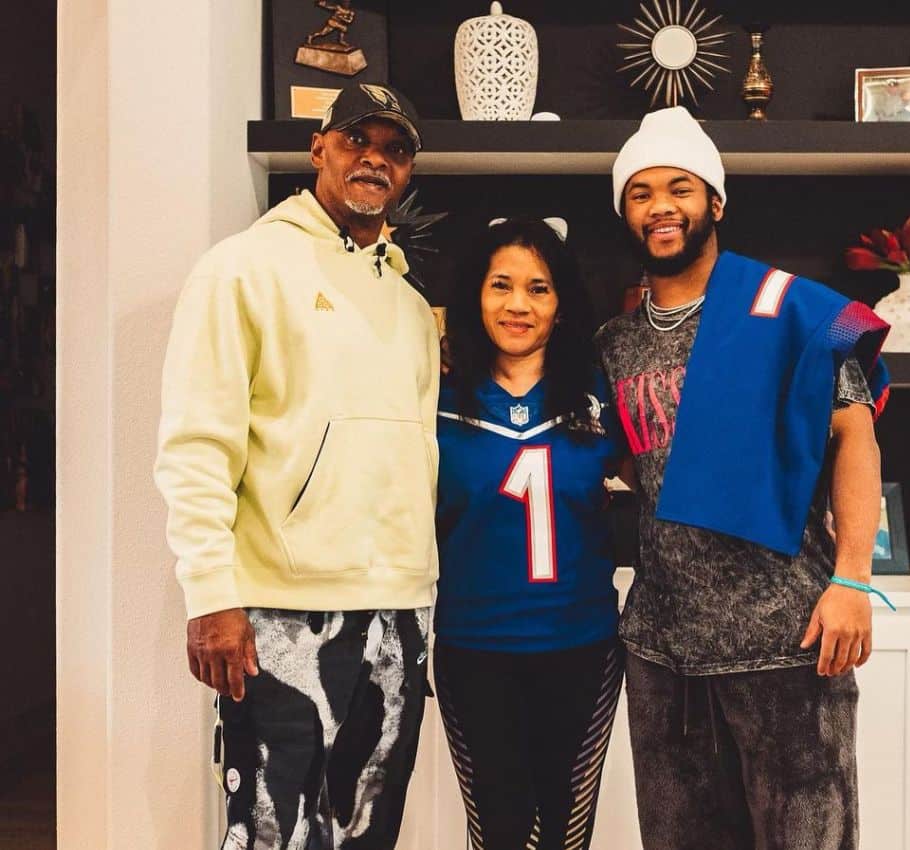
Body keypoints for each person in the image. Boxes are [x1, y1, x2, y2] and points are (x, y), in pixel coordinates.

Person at [595, 106, 892, 850]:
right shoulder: (614, 342)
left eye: (680, 188)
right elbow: (630, 462)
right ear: (625, 213)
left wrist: (852, 578)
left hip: (785, 639)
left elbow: (855, 431)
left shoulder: (788, 309)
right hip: (663, 650)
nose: (660, 206)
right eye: (640, 193)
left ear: (715, 202)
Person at [154, 83, 439, 850]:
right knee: (271, 837)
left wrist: (417, 598)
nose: (375, 159)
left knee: (366, 834)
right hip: (279, 615)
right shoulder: (242, 269)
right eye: (357, 140)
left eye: (395, 149)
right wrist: (210, 594)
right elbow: (196, 444)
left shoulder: (409, 305)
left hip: (398, 616)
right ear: (319, 149)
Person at [434, 217, 624, 850]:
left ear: (561, 303)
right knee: (498, 834)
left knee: (565, 837)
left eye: (538, 288)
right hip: (474, 649)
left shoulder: (599, 397)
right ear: (476, 296)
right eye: (501, 285)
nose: (518, 304)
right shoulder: (433, 398)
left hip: (581, 647)